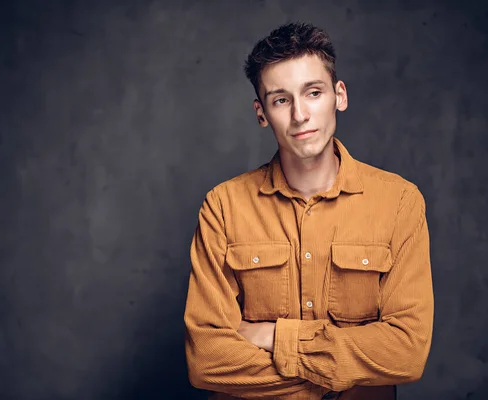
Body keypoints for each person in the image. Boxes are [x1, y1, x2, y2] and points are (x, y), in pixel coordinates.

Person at [183, 22, 434, 400]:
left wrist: (273, 337)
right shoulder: (223, 207)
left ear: (339, 95)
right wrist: (344, 372)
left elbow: (407, 352)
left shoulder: (399, 202)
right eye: (281, 99)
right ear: (262, 113)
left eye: (313, 93)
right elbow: (206, 358)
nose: (300, 114)